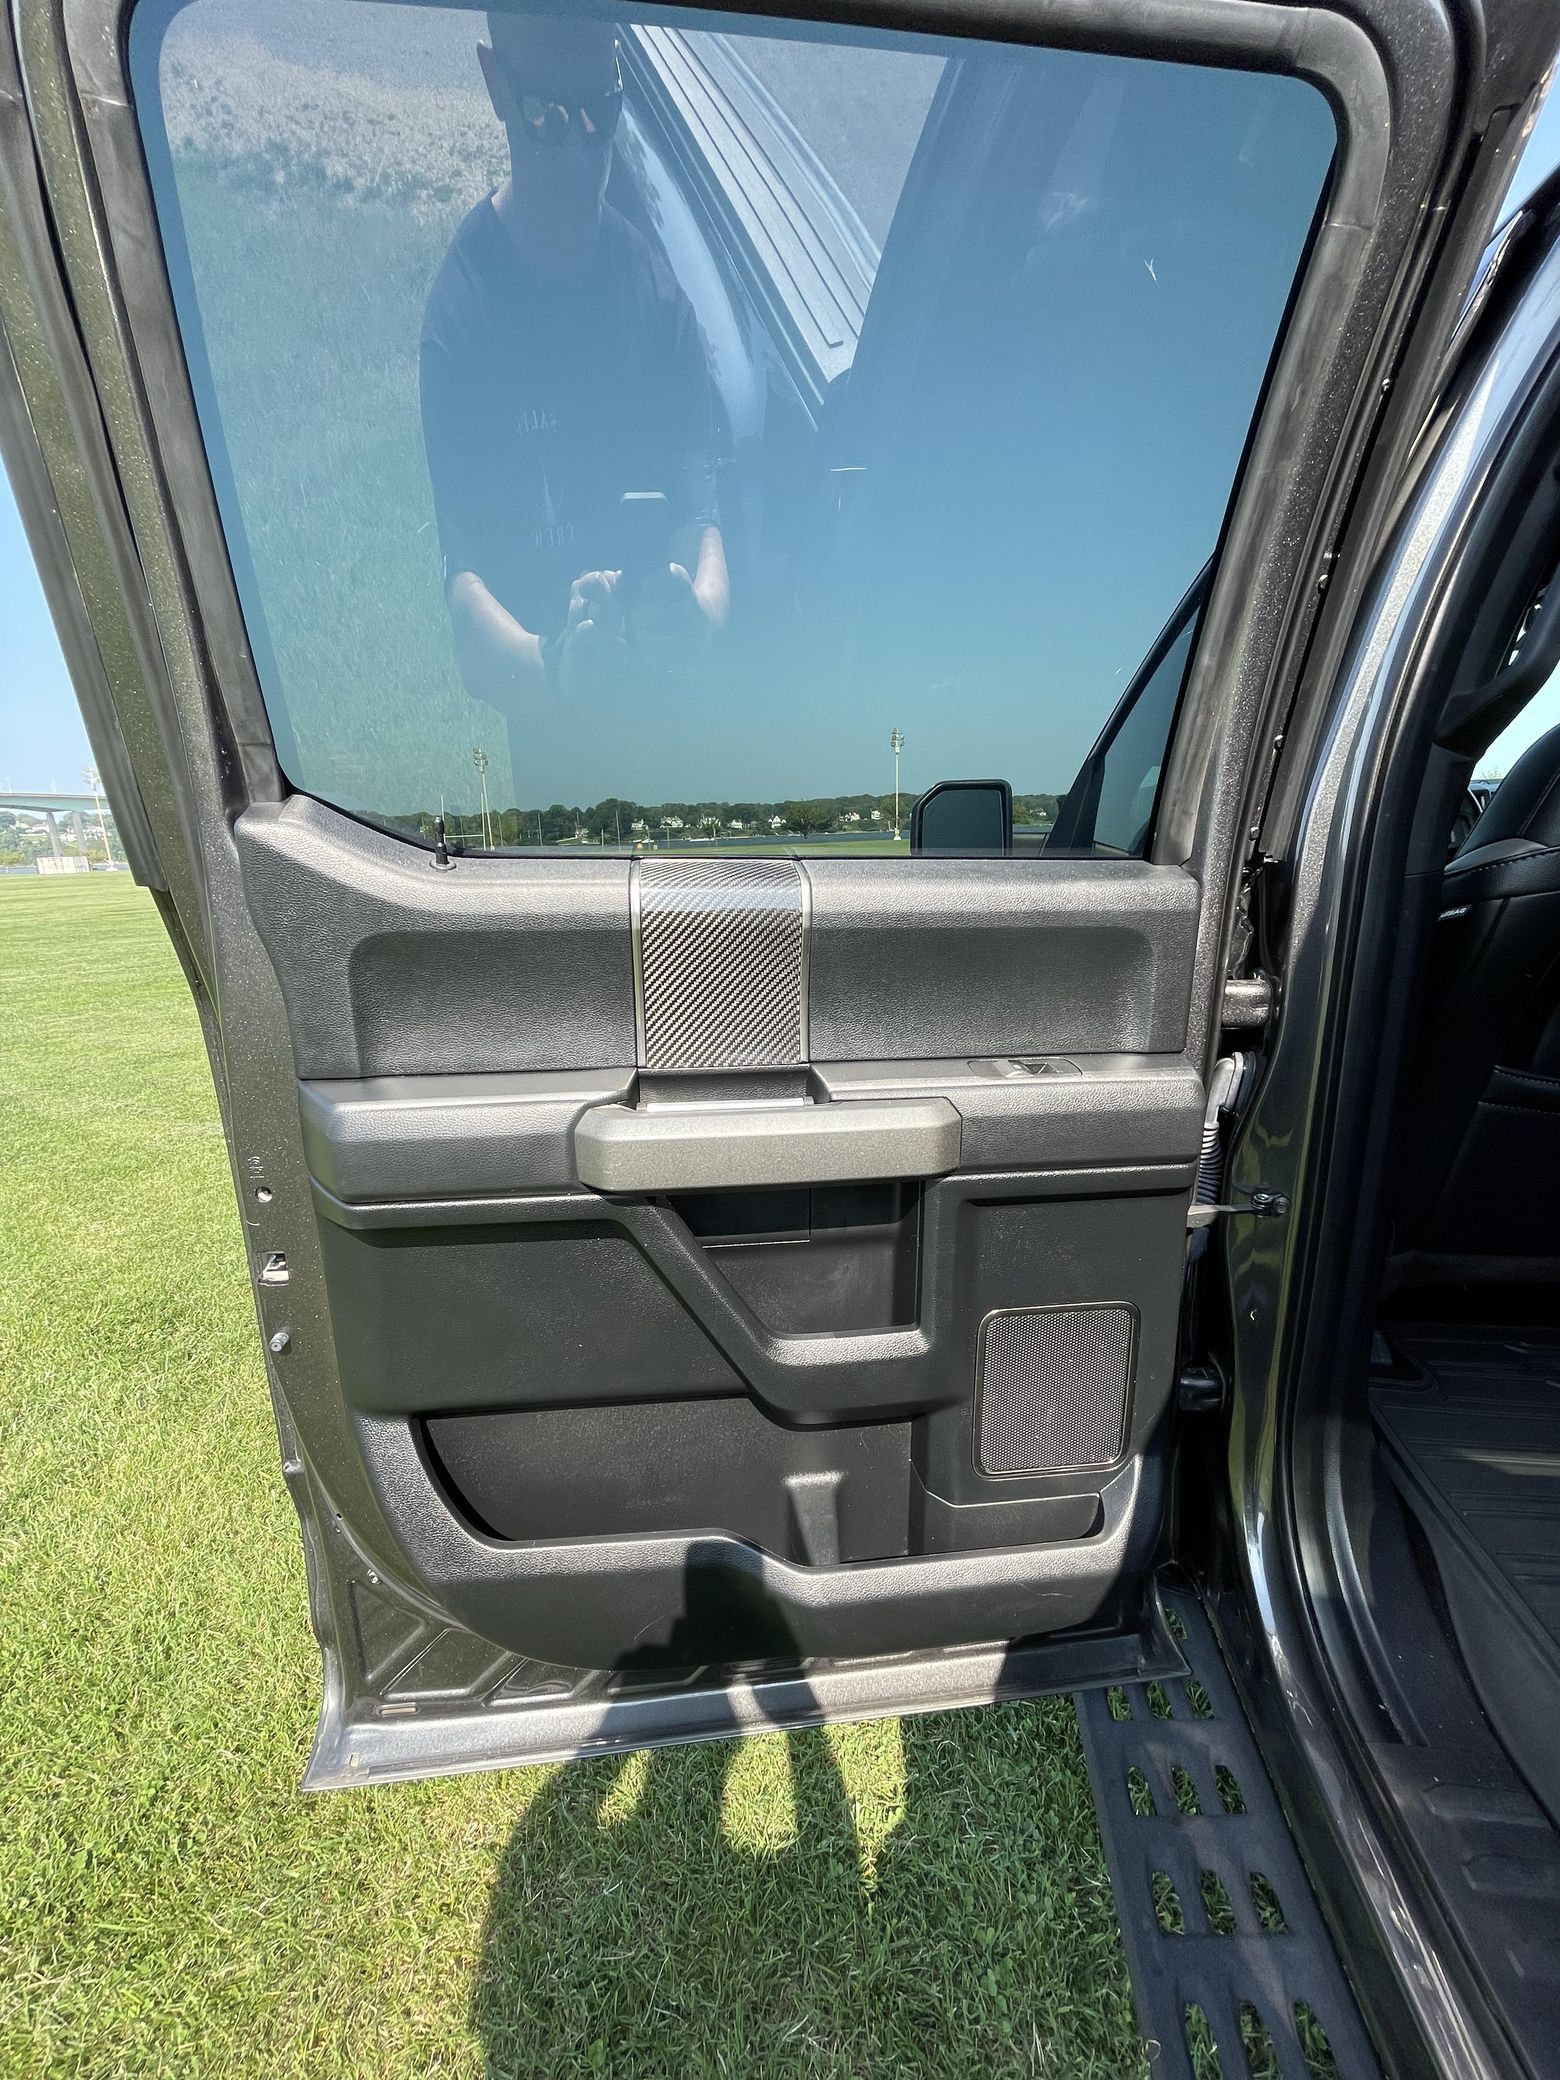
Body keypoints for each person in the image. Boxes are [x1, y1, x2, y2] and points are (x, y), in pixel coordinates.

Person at [420, 10, 729, 709]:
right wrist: (559, 668)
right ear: (496, 85)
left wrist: (698, 621)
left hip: (677, 727)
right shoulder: (465, 315)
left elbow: (700, 520)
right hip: (555, 747)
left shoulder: (656, 294)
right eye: (548, 119)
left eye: (601, 114)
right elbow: (468, 602)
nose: (581, 159)